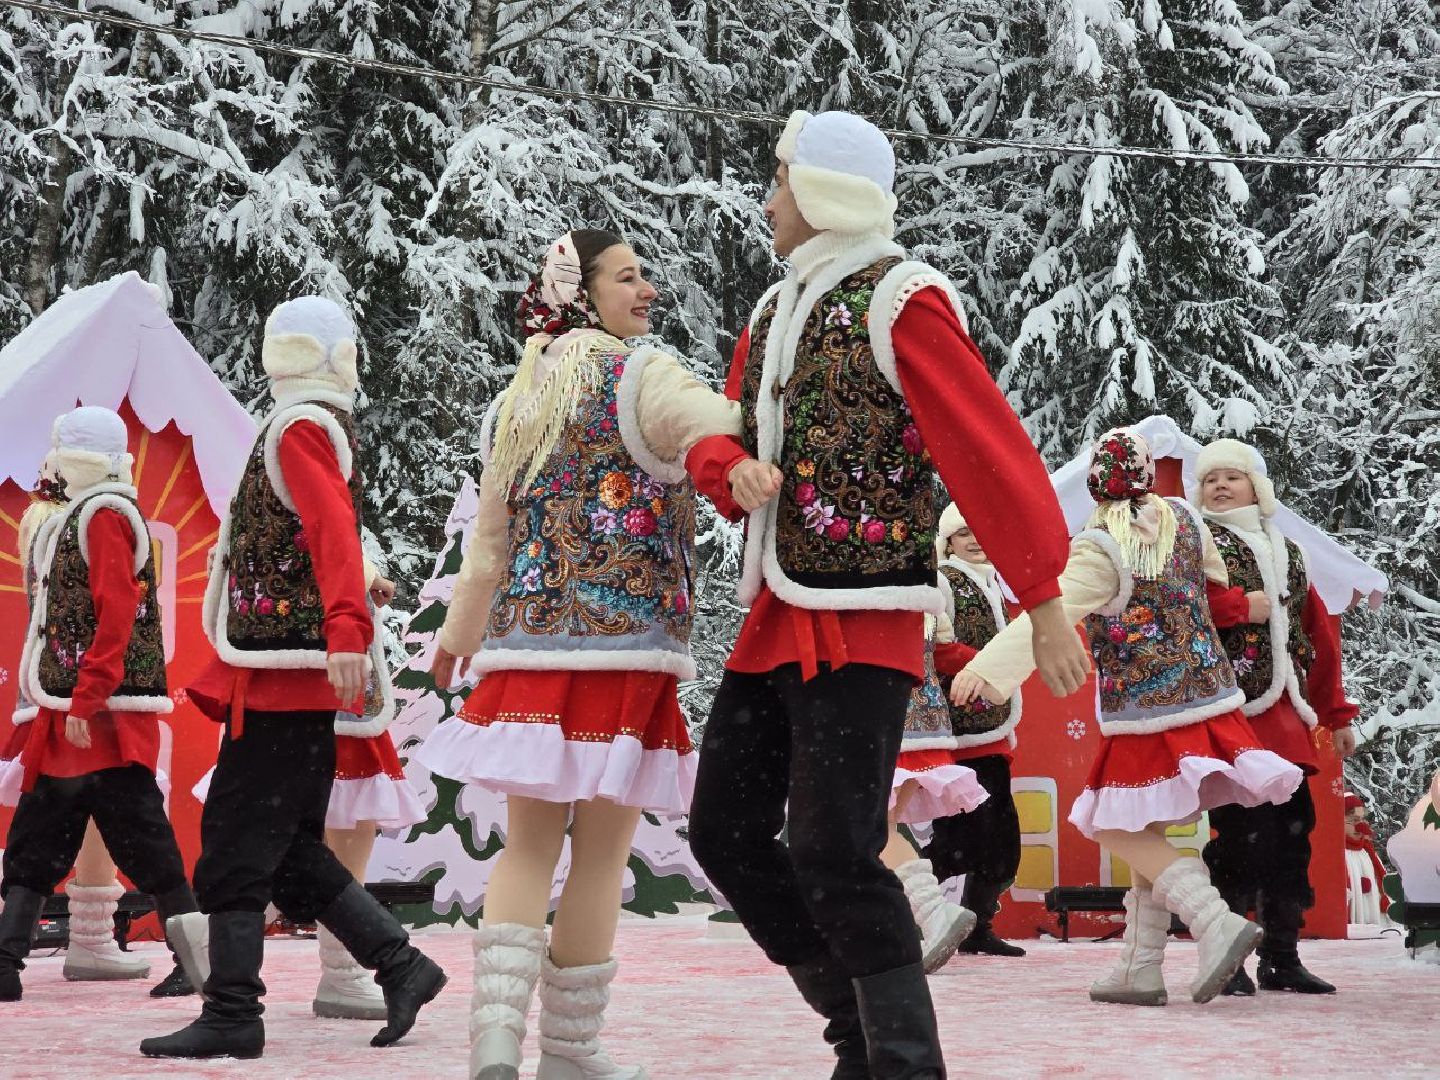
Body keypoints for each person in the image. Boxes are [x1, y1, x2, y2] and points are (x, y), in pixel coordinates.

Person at [684, 110, 1085, 1079]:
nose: (767, 198)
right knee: (724, 833)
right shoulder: (774, 311)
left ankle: (902, 1064)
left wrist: (1042, 595)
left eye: (778, 179)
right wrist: (725, 466)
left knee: (833, 848)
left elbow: (985, 447)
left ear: (821, 191)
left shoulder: (902, 299)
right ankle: (853, 1031)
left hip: (864, 622)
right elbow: (727, 427)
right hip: (776, 618)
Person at [421, 229, 750, 1080]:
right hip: (626, 651)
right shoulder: (645, 375)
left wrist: (460, 636)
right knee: (602, 854)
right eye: (628, 276)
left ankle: (494, 1043)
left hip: (527, 646)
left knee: (527, 849)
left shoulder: (523, 391)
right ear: (587, 293)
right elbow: (724, 423)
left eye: (647, 275)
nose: (647, 290)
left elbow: (488, 540)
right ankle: (569, 1053)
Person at [141, 298, 444, 1060]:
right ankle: (401, 964)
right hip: (284, 672)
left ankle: (235, 1012)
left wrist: (344, 625)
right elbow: (329, 527)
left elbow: (330, 527)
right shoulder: (306, 427)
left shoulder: (300, 427)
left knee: (237, 847)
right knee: (285, 851)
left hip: (287, 672)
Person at [955, 428, 1304, 1007]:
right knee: (1149, 831)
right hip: (1208, 697)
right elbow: (1214, 583)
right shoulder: (1184, 519)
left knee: (1112, 824)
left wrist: (990, 671)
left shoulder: (1101, 544)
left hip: (1147, 709)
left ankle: (1213, 919)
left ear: (1095, 484)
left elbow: (1057, 608)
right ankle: (1140, 966)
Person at [0, 408, 199, 1002]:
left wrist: (87, 698)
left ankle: (200, 961)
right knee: (37, 832)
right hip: (73, 711)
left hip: (100, 714)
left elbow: (116, 611)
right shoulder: (80, 514)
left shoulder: (105, 514)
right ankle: (5, 962)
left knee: (142, 837)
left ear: (77, 454)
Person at [186, 561, 426, 1022]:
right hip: (313, 673)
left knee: (282, 840)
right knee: (305, 839)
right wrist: (366, 575)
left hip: (289, 673)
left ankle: (223, 962)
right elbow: (328, 550)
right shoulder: (307, 489)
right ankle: (361, 969)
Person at [1192, 437, 1359, 995]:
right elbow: (1172, 608)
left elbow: (1318, 638)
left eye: (1231, 477)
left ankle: (1281, 956)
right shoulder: (1189, 541)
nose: (1220, 485)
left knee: (1292, 839)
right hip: (1227, 715)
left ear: (1256, 487)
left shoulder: (1287, 551)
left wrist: (1336, 715)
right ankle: (1230, 959)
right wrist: (1240, 607)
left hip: (1284, 721)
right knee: (1237, 839)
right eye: (1210, 477)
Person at [923, 504, 1028, 958]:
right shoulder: (944, 580)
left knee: (997, 844)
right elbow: (937, 650)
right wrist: (991, 665)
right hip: (959, 731)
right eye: (963, 533)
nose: (974, 539)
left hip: (991, 732)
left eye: (980, 530)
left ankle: (977, 924)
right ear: (948, 541)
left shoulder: (994, 585)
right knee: (960, 842)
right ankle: (918, 913)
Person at [878, 594, 987, 974]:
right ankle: (901, 924)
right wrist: (992, 667)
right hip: (918, 720)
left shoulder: (854, 573)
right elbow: (944, 653)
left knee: (874, 829)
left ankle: (934, 913)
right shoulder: (927, 582)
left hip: (881, 721)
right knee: (874, 831)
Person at [1342, 793, 1390, 926]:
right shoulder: (1336, 854)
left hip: (1373, 923)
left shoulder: (1367, 851)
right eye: (1353, 820)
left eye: (1362, 820)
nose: (1360, 826)